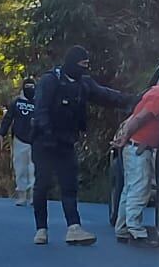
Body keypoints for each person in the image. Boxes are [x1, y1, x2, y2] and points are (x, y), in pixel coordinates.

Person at [31, 45, 135, 246]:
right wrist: (47, 133)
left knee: (69, 185)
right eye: (82, 65)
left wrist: (134, 100)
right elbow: (40, 109)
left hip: (66, 140)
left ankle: (74, 228)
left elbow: (107, 96)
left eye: (87, 65)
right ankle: (41, 230)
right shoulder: (49, 81)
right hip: (44, 142)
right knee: (42, 184)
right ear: (71, 63)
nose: (85, 69)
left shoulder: (83, 84)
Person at [110, 75, 159, 244]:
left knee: (129, 189)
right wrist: (125, 136)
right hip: (138, 147)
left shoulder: (158, 91)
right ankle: (135, 231)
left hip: (134, 146)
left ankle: (122, 229)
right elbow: (140, 118)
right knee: (139, 189)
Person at [0, 76, 36, 205]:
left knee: (34, 169)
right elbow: (8, 118)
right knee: (20, 169)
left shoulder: (39, 103)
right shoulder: (16, 103)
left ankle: (33, 196)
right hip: (19, 140)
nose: (30, 89)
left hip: (36, 140)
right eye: (28, 87)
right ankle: (22, 196)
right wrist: (1, 133)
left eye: (32, 87)